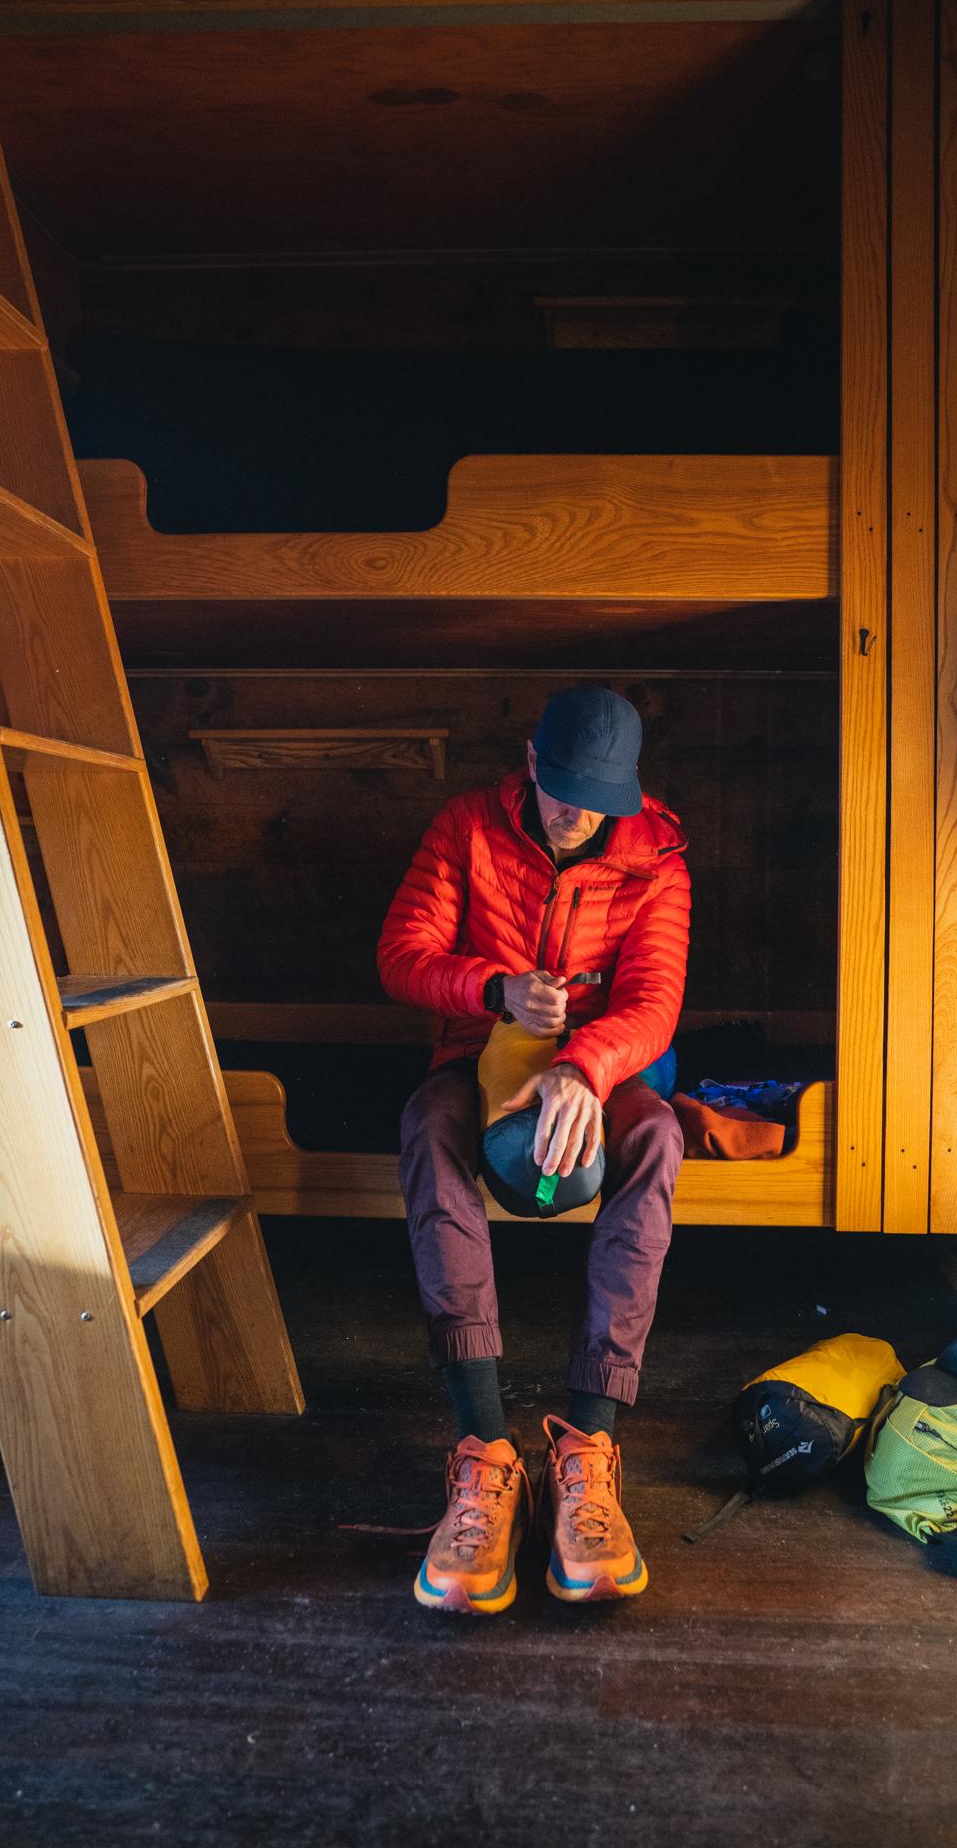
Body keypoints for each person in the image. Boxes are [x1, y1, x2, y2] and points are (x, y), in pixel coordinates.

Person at [377, 685, 690, 1613]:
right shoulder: (465, 828)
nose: (575, 810)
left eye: (597, 794)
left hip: (602, 1073)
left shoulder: (657, 857)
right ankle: (482, 1452)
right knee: (427, 1127)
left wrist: (585, 1069)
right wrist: (494, 991)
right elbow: (402, 953)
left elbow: (654, 1000)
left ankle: (588, 1444)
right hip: (476, 1058)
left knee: (659, 1139)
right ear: (528, 758)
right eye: (561, 788)